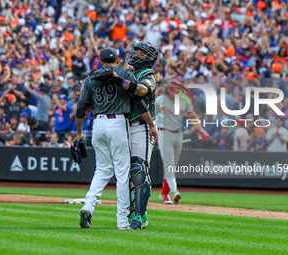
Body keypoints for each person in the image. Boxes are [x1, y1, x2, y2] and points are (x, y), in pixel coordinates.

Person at [76, 48, 157, 230]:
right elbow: (137, 100)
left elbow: (81, 108)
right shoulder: (125, 73)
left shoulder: (90, 77)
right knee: (122, 174)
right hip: (118, 123)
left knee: (102, 170)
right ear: (118, 59)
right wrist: (151, 124)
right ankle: (122, 222)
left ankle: (88, 205)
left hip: (97, 125)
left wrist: (79, 133)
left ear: (100, 60)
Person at [155, 80, 208, 204]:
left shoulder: (184, 100)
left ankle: (163, 194)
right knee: (169, 165)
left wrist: (201, 130)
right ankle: (175, 192)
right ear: (166, 89)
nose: (174, 93)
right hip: (164, 132)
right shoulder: (159, 100)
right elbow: (150, 115)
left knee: (173, 166)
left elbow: (193, 116)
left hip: (178, 134)